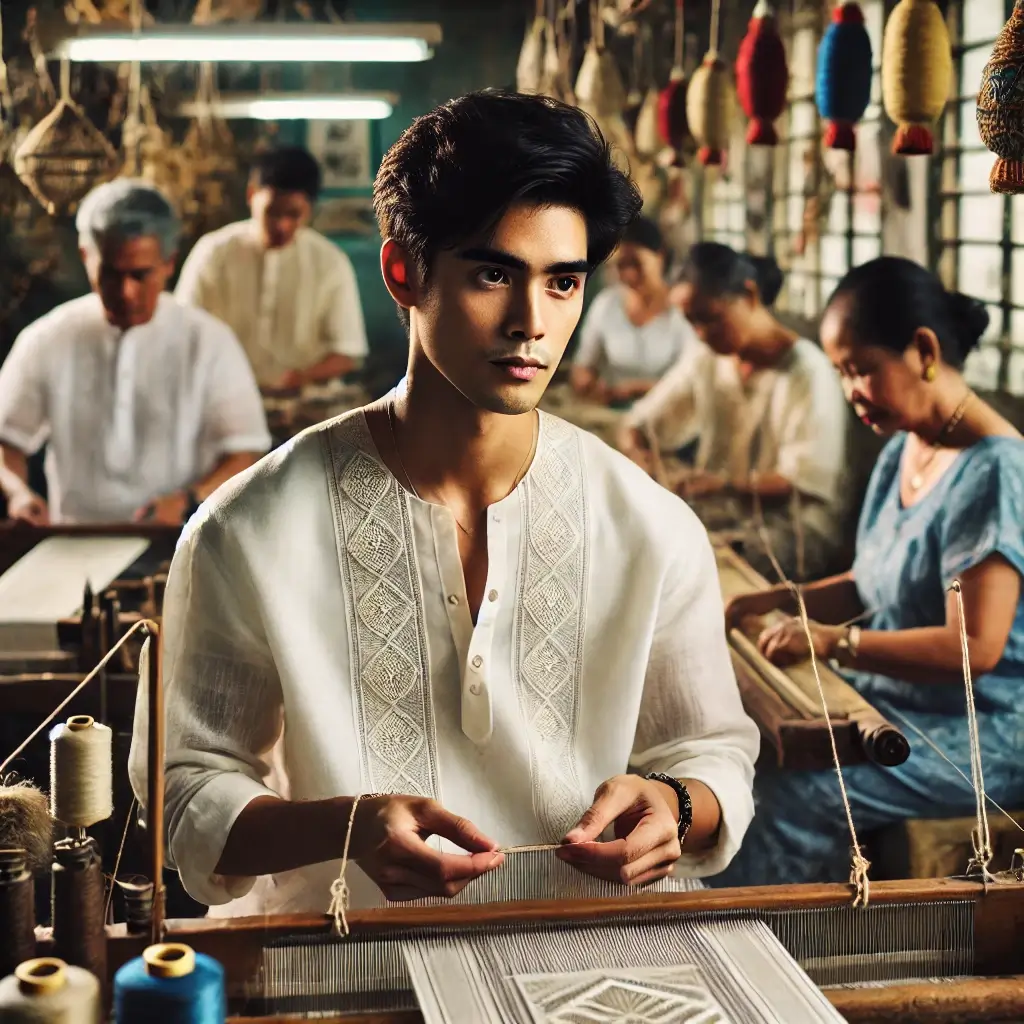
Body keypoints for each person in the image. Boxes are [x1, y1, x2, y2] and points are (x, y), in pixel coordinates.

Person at [128, 90, 759, 917]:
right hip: (339, 960)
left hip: (584, 947)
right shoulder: (248, 528)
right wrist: (347, 828)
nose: (531, 322)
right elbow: (186, 788)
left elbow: (710, 752)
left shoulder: (650, 526)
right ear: (405, 273)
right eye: (494, 274)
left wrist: (675, 805)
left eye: (563, 282)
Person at [718, 257, 1024, 886]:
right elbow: (870, 583)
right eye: (840, 373)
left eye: (861, 369)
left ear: (924, 351)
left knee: (799, 791)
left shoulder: (995, 471)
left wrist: (836, 642)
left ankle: (756, 934)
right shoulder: (904, 450)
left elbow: (975, 646)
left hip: (983, 732)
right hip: (899, 702)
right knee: (749, 746)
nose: (851, 391)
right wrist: (780, 600)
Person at [0, 180, 270, 526]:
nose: (126, 292)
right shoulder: (48, 338)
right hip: (74, 539)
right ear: (86, 257)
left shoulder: (209, 342)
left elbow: (246, 451)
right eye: (110, 275)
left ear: (169, 263)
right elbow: (6, 441)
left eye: (140, 275)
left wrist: (190, 501)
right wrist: (18, 493)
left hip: (180, 539)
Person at [618, 242, 849, 583]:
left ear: (750, 295)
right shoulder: (708, 357)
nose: (701, 334)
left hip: (792, 528)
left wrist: (725, 484)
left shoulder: (807, 371)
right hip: (725, 513)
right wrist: (640, 457)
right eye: (691, 322)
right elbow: (639, 422)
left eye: (711, 319)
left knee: (688, 568)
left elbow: (801, 480)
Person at [175, 145, 368, 392]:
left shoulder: (330, 262)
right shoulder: (213, 253)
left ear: (310, 208)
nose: (281, 225)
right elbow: (181, 332)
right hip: (223, 396)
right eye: (272, 213)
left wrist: (299, 378)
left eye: (294, 214)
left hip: (304, 403)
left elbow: (348, 353)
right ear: (251, 195)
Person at [569, 216, 694, 405]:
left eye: (636, 263)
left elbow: (693, 382)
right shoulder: (606, 304)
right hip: (611, 411)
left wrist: (641, 389)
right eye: (620, 265)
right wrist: (586, 382)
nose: (628, 273)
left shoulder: (684, 310)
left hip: (670, 412)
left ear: (660, 256)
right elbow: (583, 364)